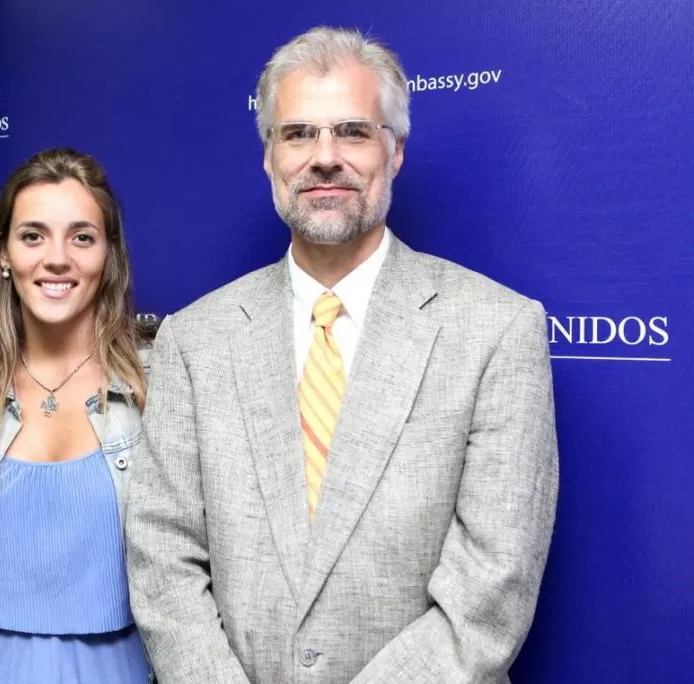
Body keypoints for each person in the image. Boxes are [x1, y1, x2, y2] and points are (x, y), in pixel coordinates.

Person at [125, 26, 559, 684]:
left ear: (396, 151)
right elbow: (163, 558)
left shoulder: (497, 331)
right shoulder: (194, 338)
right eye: (298, 134)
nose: (324, 157)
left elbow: (490, 596)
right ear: (269, 156)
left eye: (353, 131)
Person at [0, 148, 152, 683]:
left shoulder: (155, 391)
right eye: (32, 236)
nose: (56, 259)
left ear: (108, 255)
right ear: (4, 255)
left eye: (81, 237)